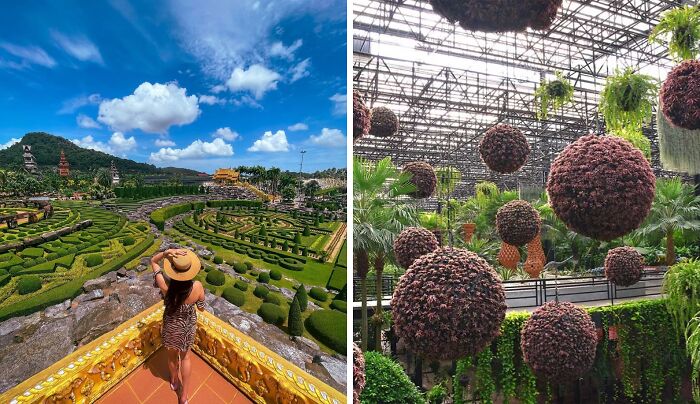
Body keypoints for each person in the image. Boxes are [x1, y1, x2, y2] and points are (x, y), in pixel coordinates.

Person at [151, 248, 205, 404]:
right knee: (186, 357)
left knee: (171, 357)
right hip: (187, 326)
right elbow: (201, 307)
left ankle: (174, 381)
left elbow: (153, 262)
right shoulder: (198, 287)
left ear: (173, 270)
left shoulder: (166, 286)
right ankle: (184, 396)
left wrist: (166, 253)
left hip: (171, 326)